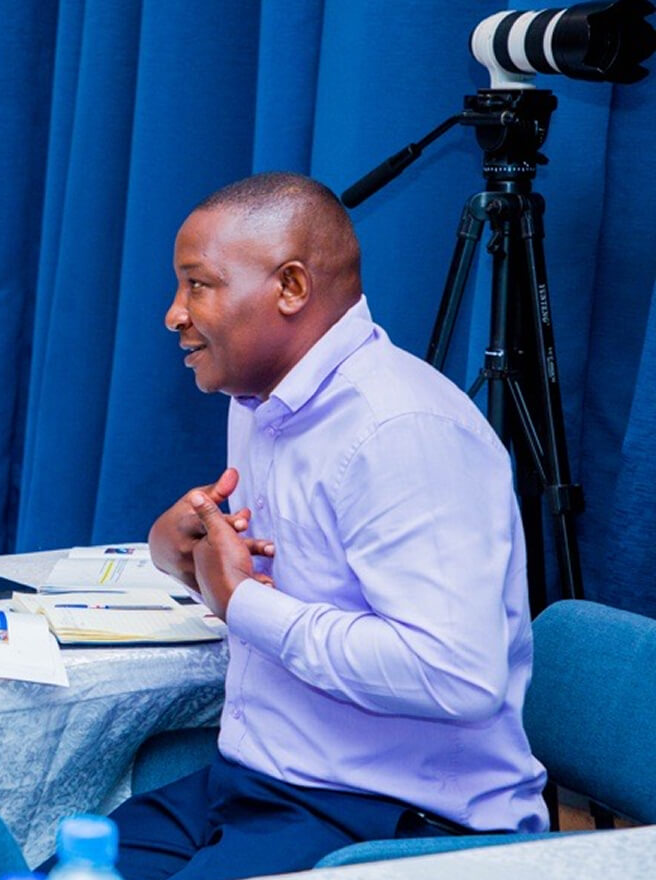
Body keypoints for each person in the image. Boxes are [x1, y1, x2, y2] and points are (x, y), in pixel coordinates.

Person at [109, 172, 547, 879]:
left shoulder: (400, 432)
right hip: (256, 782)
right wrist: (177, 553)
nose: (173, 314)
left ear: (289, 288)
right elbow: (273, 574)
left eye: (198, 285)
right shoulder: (256, 402)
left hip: (395, 815)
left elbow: (455, 675)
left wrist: (243, 604)